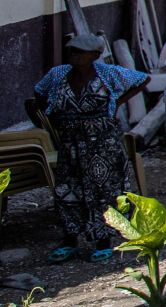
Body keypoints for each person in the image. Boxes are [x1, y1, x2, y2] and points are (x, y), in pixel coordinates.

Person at [30, 34, 147, 262]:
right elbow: (39, 92)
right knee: (68, 189)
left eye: (80, 52)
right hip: (70, 141)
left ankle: (104, 240)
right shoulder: (59, 74)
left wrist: (118, 102)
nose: (75, 56)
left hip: (103, 142)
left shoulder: (107, 73)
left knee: (104, 190)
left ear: (94, 55)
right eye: (72, 51)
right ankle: (70, 239)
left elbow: (142, 79)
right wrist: (50, 115)